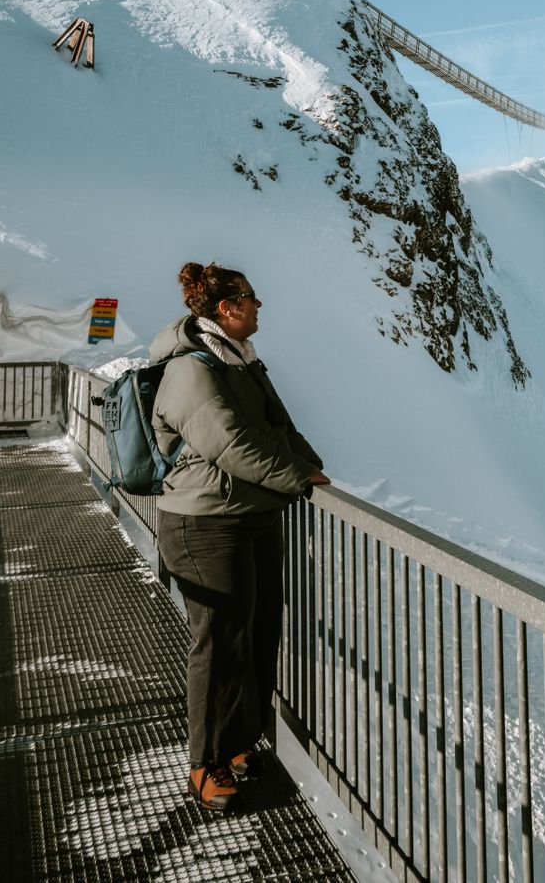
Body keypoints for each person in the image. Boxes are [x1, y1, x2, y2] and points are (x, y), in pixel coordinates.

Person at [151, 261, 329, 813]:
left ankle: (239, 742)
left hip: (251, 515)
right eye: (251, 297)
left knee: (257, 632)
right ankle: (205, 761)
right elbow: (227, 443)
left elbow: (278, 425)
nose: (259, 305)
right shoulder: (192, 367)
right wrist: (296, 477)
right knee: (220, 642)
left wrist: (310, 463)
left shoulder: (242, 359)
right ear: (227, 308)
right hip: (204, 523)